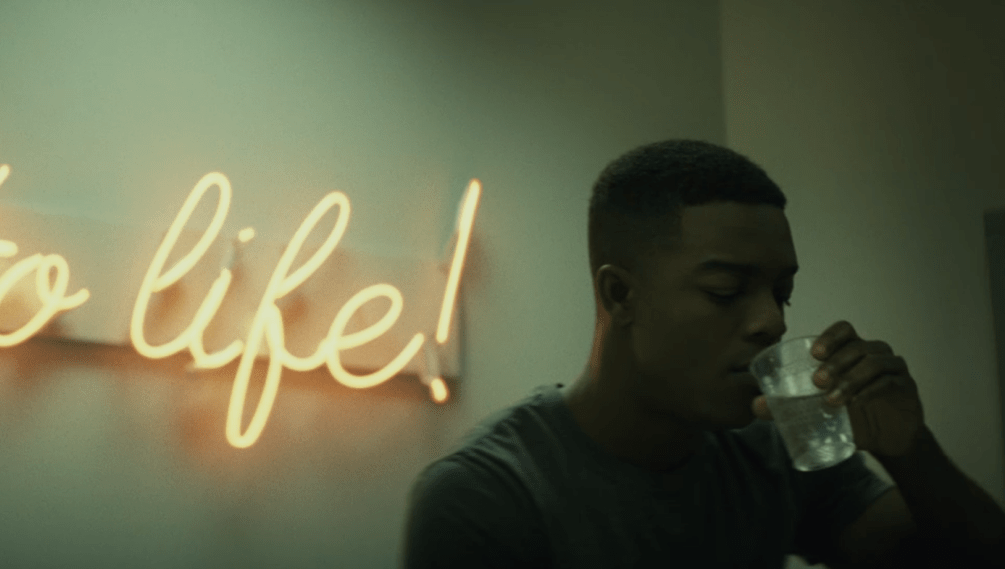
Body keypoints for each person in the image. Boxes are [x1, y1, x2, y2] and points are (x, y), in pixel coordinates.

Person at [401, 139, 1005, 568]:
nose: (772, 321)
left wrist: (911, 451)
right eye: (726, 291)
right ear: (620, 295)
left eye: (782, 292)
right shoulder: (487, 497)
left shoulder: (772, 450)